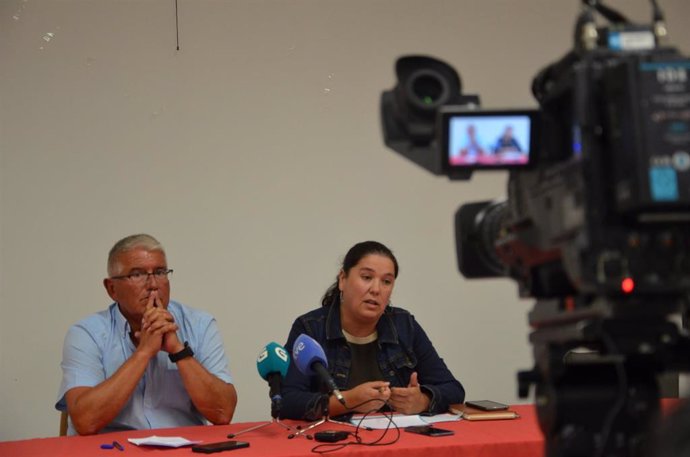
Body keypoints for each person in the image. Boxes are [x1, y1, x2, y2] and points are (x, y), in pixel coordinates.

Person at [55, 234, 237, 435]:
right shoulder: (86, 334)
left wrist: (178, 350)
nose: (152, 284)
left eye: (160, 272)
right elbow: (85, 421)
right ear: (112, 289)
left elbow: (223, 412)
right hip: (112, 450)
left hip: (184, 449)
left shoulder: (199, 324)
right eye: (137, 274)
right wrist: (143, 353)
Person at [280, 241, 464, 421]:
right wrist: (348, 401)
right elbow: (287, 402)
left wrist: (422, 401)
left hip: (398, 442)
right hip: (334, 444)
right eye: (367, 277)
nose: (376, 289)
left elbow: (453, 389)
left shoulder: (404, 325)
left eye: (386, 281)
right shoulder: (310, 328)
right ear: (342, 279)